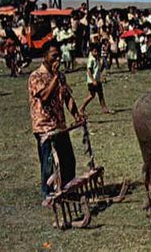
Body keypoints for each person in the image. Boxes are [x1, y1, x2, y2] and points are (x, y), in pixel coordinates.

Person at [28, 41, 83, 199]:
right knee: (49, 165)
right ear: (45, 56)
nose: (57, 59)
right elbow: (44, 97)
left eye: (59, 55)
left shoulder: (60, 77)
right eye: (54, 56)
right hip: (44, 128)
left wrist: (77, 115)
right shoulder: (36, 77)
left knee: (68, 161)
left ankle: (68, 191)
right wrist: (56, 77)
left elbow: (67, 98)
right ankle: (49, 196)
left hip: (60, 126)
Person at [79, 45, 112, 114]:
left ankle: (104, 108)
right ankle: (81, 108)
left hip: (97, 80)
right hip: (92, 81)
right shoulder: (91, 59)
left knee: (101, 94)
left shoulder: (96, 59)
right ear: (91, 51)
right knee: (91, 95)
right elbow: (89, 71)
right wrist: (93, 80)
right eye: (95, 51)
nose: (96, 53)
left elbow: (98, 69)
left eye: (97, 51)